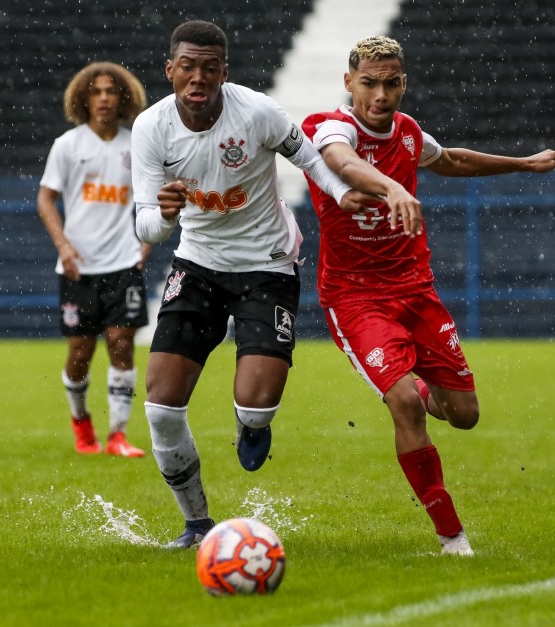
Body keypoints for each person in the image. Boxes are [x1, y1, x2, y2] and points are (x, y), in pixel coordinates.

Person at [131, 21, 422, 548]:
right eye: (188, 67)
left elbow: (308, 154)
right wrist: (165, 217)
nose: (198, 78)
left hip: (266, 265)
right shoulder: (150, 128)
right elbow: (145, 225)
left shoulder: (258, 112)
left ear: (224, 71)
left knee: (256, 405)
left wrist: (336, 193)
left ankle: (252, 424)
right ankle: (196, 524)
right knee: (161, 409)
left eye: (210, 68)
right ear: (170, 70)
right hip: (196, 264)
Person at [302, 35, 555, 556]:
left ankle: (433, 391)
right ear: (349, 83)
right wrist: (394, 187)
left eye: (391, 83)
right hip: (355, 298)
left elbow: (450, 159)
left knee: (465, 415)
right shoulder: (328, 126)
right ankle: (451, 534)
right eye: (369, 83)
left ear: (403, 83)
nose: (380, 95)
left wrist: (524, 163)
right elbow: (339, 160)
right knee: (403, 401)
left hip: (415, 289)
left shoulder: (407, 132)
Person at [37, 61, 152, 458]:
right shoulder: (68, 145)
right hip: (78, 267)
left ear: (123, 99)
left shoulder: (135, 143)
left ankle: (118, 435)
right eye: (96, 91)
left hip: (124, 262)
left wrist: (148, 242)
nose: (104, 98)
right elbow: (46, 198)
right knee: (80, 352)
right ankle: (82, 423)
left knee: (121, 343)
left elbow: (151, 196)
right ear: (83, 98)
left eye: (111, 91)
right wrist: (64, 247)